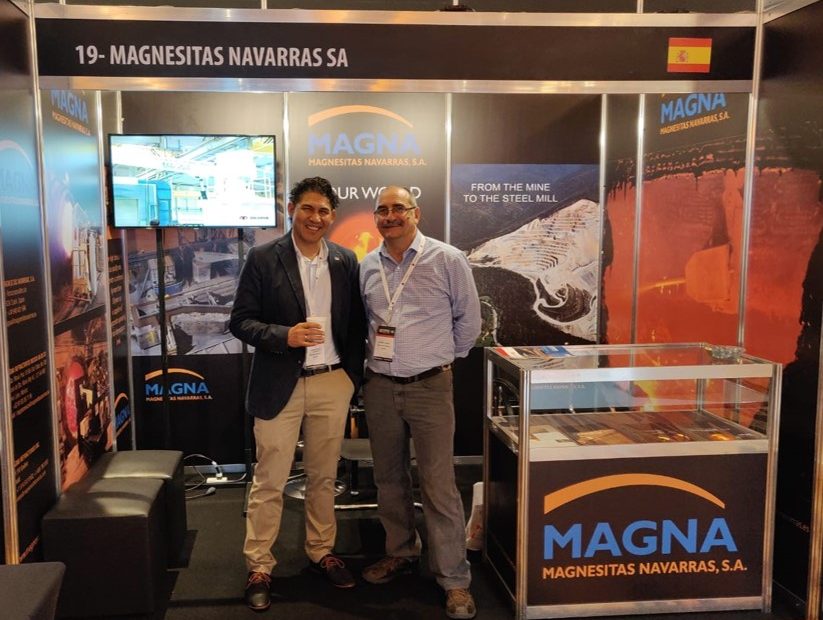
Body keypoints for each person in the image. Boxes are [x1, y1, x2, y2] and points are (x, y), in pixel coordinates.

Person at [230, 177, 365, 612]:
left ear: (333, 216)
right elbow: (240, 321)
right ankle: (259, 565)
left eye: (324, 211)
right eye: (308, 208)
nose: (315, 217)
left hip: (332, 382)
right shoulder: (263, 258)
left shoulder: (345, 260)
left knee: (323, 476)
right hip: (278, 383)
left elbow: (356, 325)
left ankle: (321, 550)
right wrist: (283, 336)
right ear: (292, 209)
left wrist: (350, 377)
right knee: (270, 479)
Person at [359, 186, 481, 620]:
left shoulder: (447, 259)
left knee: (438, 483)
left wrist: (439, 360)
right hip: (379, 385)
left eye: (399, 208)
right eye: (383, 210)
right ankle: (401, 552)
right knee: (389, 478)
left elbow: (469, 321)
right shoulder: (367, 265)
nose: (390, 216)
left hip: (430, 386)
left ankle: (454, 579)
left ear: (416, 213)